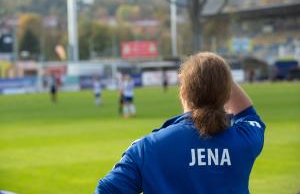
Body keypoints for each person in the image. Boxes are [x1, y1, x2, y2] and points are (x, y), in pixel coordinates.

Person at [95, 52, 266, 194]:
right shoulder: (244, 139)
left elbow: (106, 191)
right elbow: (248, 114)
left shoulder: (147, 148)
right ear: (226, 91)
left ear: (183, 89)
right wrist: (219, 74)